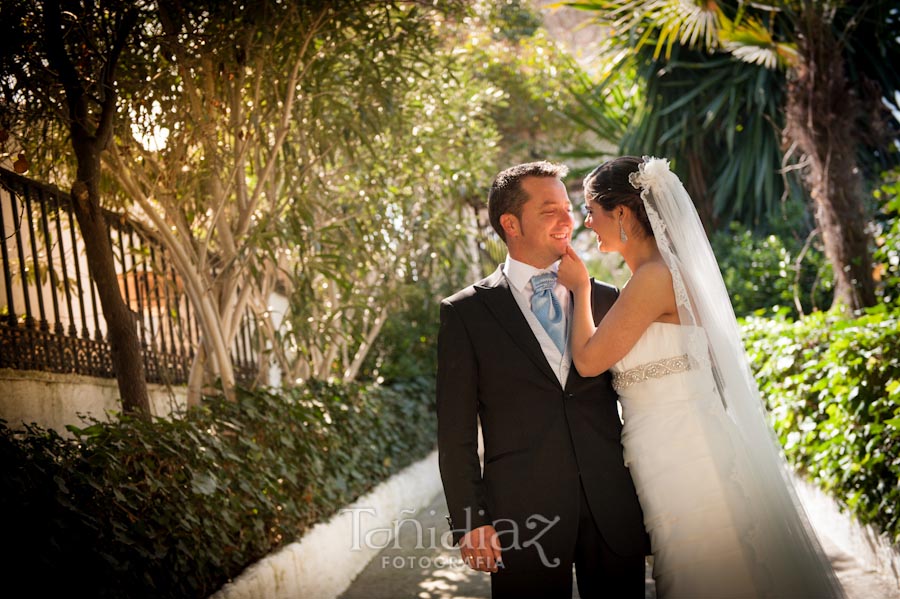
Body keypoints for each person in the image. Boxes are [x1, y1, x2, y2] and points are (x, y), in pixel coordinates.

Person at [556, 155, 845, 598]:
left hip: (682, 449)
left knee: (704, 567)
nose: (586, 223)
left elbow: (591, 362)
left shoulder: (654, 278)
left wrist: (579, 288)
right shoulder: (656, 275)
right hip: (667, 444)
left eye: (591, 211)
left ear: (622, 213)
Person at [436, 161, 650, 598]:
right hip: (521, 516)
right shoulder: (465, 313)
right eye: (550, 210)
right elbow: (454, 432)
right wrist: (470, 520)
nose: (568, 220)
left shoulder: (609, 299)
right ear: (510, 223)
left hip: (610, 508)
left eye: (568, 208)